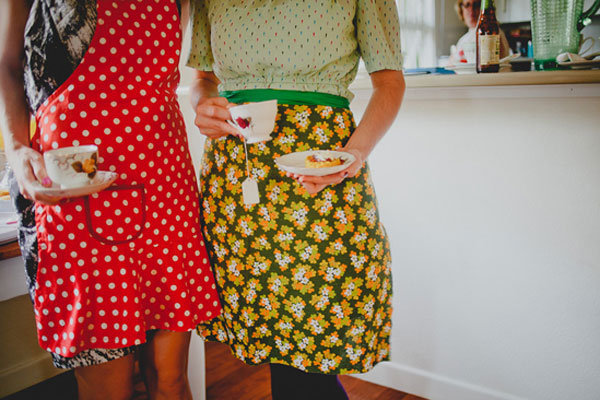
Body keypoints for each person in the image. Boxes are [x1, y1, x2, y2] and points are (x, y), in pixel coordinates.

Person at [0, 1, 221, 399]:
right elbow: (7, 64)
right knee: (108, 389)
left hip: (164, 187)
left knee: (171, 379)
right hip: (74, 192)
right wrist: (16, 150)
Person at [187, 1, 405, 398]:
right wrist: (203, 105)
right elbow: (204, 78)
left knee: (317, 324)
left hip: (322, 172)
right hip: (240, 173)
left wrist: (352, 157)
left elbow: (389, 82)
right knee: (277, 334)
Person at [450, 0, 510, 64]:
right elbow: (452, 63)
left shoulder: (491, 33)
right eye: (467, 5)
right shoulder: (463, 39)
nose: (471, 9)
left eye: (476, 5)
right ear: (461, 9)